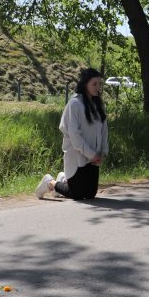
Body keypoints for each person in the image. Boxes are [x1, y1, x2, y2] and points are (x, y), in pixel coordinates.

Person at [35, 68, 109, 200]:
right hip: (77, 156)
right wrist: (91, 154)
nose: (98, 87)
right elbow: (74, 135)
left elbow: (104, 131)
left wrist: (102, 153)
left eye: (99, 84)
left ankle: (63, 179)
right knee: (78, 194)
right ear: (85, 84)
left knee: (90, 194)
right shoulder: (75, 104)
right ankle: (50, 182)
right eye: (94, 84)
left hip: (94, 157)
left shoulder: (98, 105)